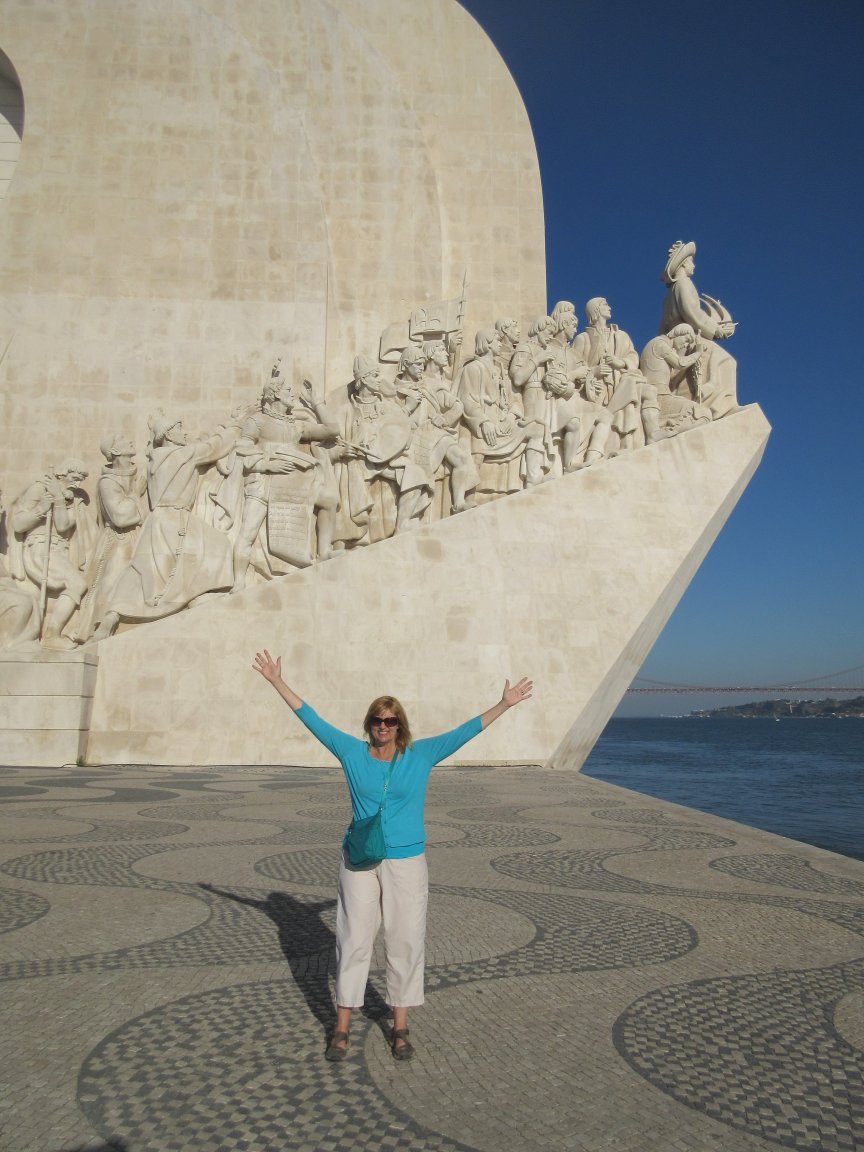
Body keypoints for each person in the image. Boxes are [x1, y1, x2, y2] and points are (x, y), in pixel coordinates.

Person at [253, 648, 533, 1062]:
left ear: (400, 725)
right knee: (353, 940)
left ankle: (400, 1026)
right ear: (369, 724)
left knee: (404, 939)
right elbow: (311, 719)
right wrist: (277, 681)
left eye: (390, 721)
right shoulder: (351, 753)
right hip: (360, 860)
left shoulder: (420, 755)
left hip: (405, 861)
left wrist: (504, 704)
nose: (383, 726)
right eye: (377, 720)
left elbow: (464, 732)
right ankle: (342, 1026)